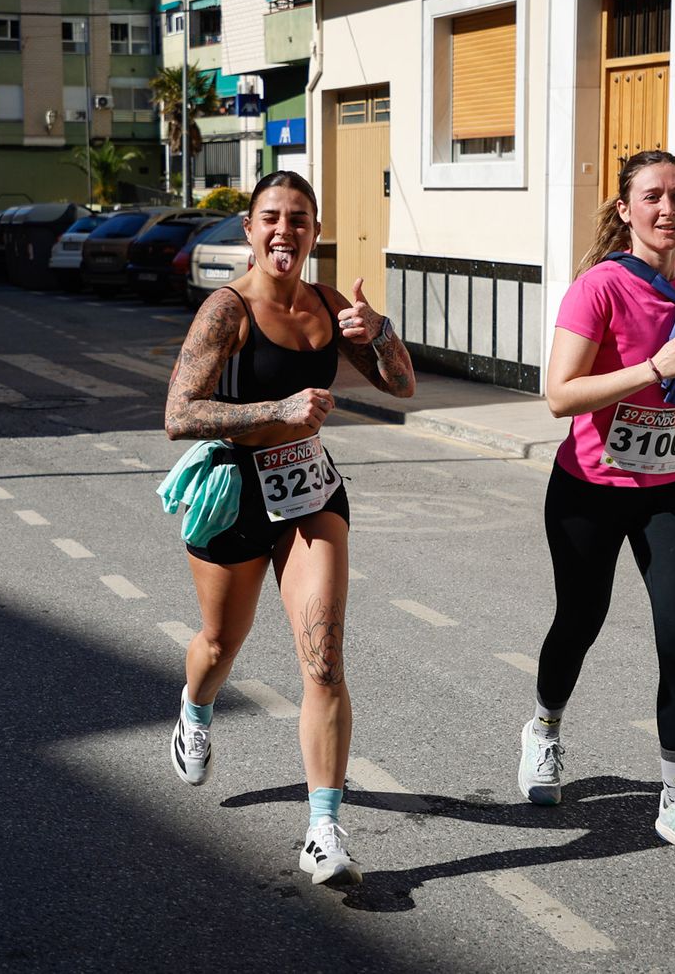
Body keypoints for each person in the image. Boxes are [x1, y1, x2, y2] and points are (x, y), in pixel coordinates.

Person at [160, 170, 415, 887]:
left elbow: (401, 384)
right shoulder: (225, 310)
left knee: (324, 659)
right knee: (219, 643)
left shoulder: (331, 306)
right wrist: (275, 410)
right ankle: (196, 708)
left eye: (299, 219)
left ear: (314, 231)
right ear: (249, 228)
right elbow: (180, 413)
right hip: (233, 493)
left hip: (309, 491)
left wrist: (381, 332)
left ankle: (323, 830)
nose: (285, 231)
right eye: (271, 217)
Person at [519, 149, 675, 866]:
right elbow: (558, 395)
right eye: (652, 197)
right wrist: (651, 371)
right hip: (588, 487)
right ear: (625, 209)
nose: (667, 208)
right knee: (580, 621)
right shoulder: (597, 287)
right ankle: (544, 729)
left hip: (670, 481)